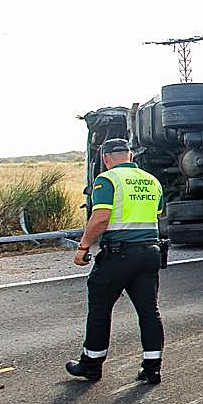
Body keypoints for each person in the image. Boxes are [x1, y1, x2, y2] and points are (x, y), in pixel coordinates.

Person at [65, 138, 166, 384]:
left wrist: (83, 246)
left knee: (100, 309)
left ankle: (91, 365)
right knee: (149, 311)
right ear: (130, 156)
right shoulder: (152, 181)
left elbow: (101, 218)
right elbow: (157, 215)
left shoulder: (107, 179)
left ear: (106, 158)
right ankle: (152, 368)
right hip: (149, 253)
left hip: (118, 254)